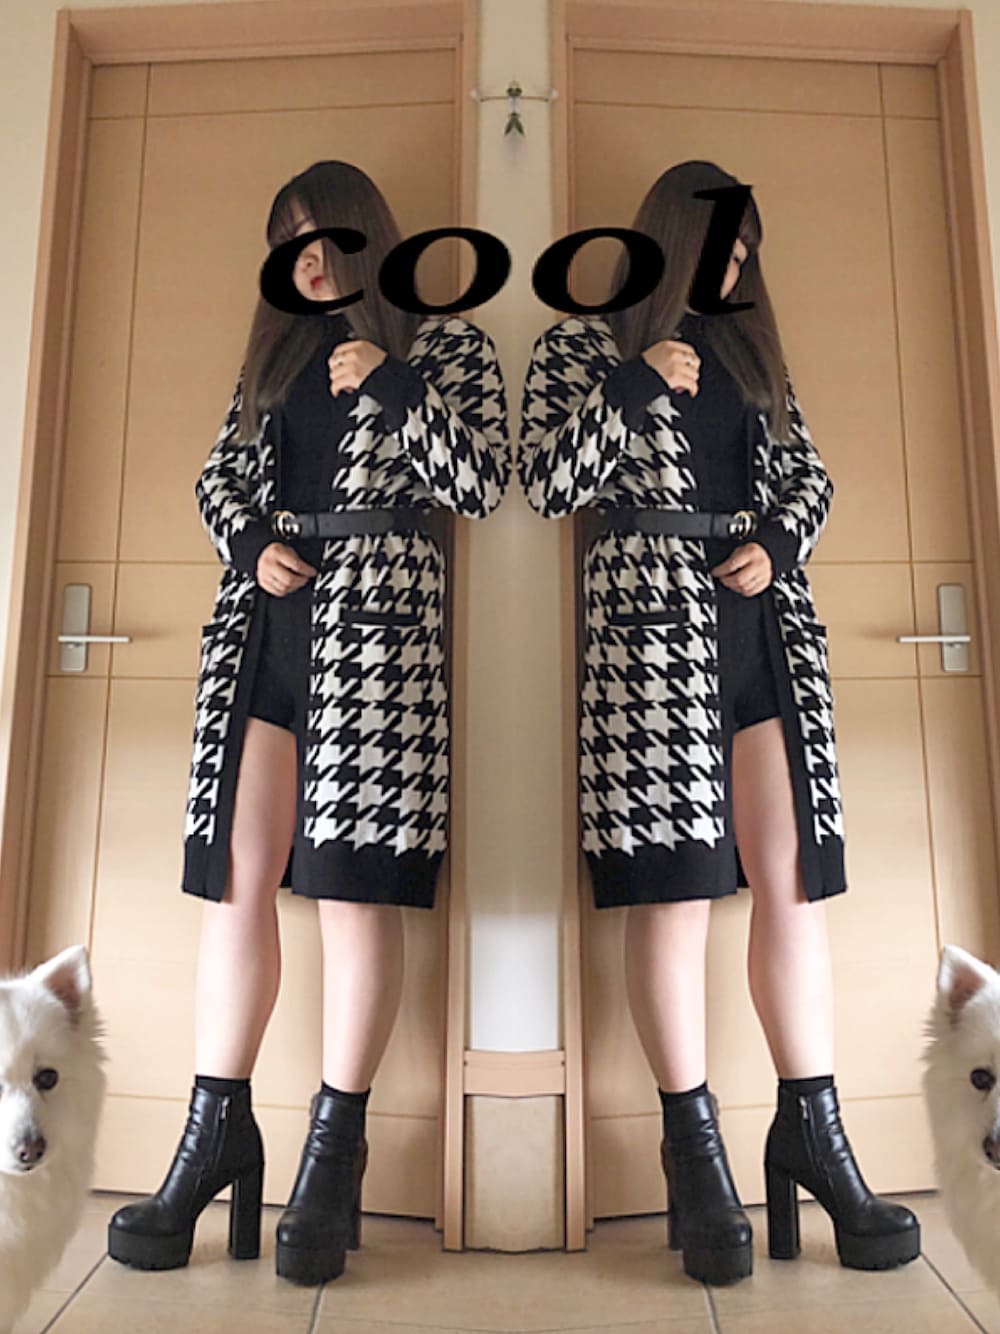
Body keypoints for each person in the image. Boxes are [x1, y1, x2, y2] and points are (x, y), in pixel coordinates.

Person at [107, 160, 510, 1286]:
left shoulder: (446, 345)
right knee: (238, 883)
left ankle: (333, 1163)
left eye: (327, 236)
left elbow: (482, 483)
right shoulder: (273, 356)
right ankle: (213, 1139)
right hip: (265, 630)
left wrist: (393, 383)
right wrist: (248, 544)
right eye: (291, 242)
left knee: (350, 890)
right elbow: (217, 480)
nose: (312, 259)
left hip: (378, 636)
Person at [517, 160, 919, 1286]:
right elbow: (545, 483)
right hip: (650, 636)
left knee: (789, 884)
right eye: (716, 247)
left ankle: (814, 1139)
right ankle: (694, 1162)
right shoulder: (583, 345)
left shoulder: (754, 355)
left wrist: (779, 544)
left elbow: (810, 479)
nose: (732, 268)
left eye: (744, 253)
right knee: (677, 890)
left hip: (763, 629)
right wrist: (633, 384)